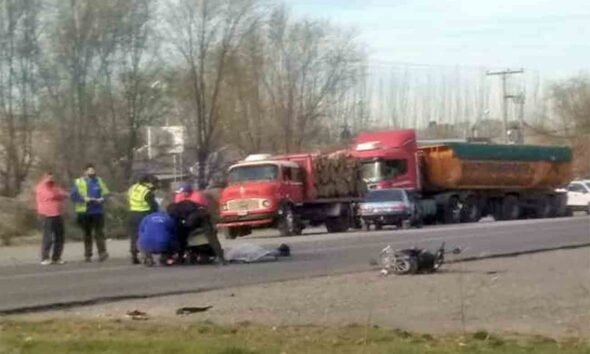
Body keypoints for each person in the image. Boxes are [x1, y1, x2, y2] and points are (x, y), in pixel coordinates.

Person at [70, 164, 110, 262]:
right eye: (90, 171)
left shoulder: (99, 181)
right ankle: (88, 255)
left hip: (97, 211)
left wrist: (102, 199)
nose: (92, 173)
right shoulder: (79, 182)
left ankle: (102, 253)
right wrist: (84, 199)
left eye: (93, 171)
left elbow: (106, 193)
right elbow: (73, 196)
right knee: (87, 234)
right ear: (85, 172)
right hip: (84, 212)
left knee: (99, 233)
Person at [167, 200, 225, 264]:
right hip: (204, 214)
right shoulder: (185, 203)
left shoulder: (175, 210)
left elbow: (181, 223)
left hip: (194, 217)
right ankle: (221, 258)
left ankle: (181, 256)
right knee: (212, 238)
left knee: (182, 232)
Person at [35, 171, 67, 266]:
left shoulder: (54, 187)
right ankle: (45, 258)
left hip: (57, 214)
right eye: (48, 177)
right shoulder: (40, 187)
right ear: (44, 177)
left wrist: (63, 194)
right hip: (46, 215)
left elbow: (63, 195)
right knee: (48, 237)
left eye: (52, 177)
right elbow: (50, 195)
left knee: (60, 237)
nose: (50, 179)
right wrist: (59, 195)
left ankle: (56, 257)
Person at [127, 174, 159, 264]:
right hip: (143, 214)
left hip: (132, 213)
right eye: (153, 184)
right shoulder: (147, 192)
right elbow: (153, 206)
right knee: (145, 236)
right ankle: (147, 256)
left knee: (134, 236)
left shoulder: (133, 188)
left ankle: (134, 255)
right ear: (147, 183)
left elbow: (129, 198)